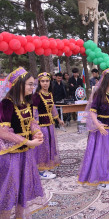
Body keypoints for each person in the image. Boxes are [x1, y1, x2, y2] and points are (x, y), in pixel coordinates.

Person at [0, 67, 46, 218]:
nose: (33, 88)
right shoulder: (6, 103)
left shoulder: (26, 102)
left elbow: (31, 121)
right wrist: (27, 141)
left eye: (33, 85)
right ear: (19, 84)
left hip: (25, 153)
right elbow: (2, 132)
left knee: (22, 188)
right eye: (30, 84)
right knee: (8, 190)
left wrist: (36, 131)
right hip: (10, 155)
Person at [33, 72, 64, 179]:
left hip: (50, 124)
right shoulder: (36, 96)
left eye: (47, 81)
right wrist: (36, 127)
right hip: (41, 125)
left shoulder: (50, 94)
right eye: (43, 81)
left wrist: (59, 119)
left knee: (50, 145)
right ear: (39, 82)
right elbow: (34, 112)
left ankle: (46, 166)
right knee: (42, 147)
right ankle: (41, 171)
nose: (45, 83)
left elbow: (53, 108)